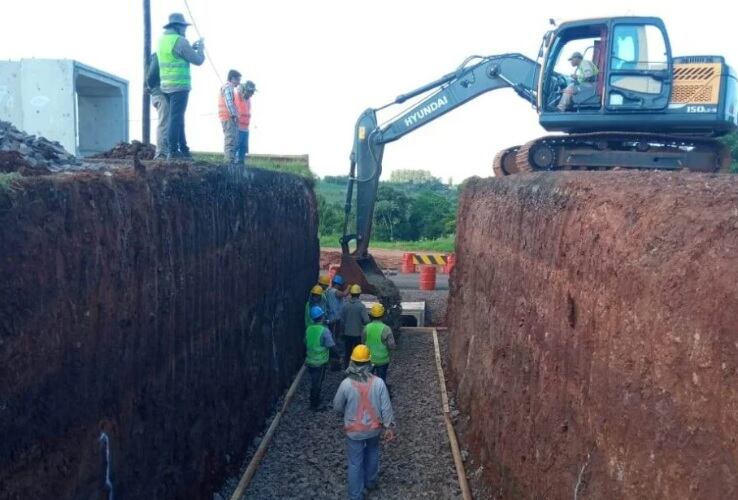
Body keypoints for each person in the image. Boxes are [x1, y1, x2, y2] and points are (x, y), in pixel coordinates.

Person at [333, 344, 395, 500]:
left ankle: (355, 495)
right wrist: (389, 427)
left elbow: (337, 406)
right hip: (374, 428)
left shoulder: (346, 384)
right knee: (373, 452)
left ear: (352, 362)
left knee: (355, 462)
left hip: (354, 430)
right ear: (369, 362)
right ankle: (371, 482)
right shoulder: (379, 383)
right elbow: (386, 407)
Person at [157, 13, 205, 160]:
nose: (185, 30)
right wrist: (200, 49)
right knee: (176, 118)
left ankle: (183, 149)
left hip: (165, 85)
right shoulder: (180, 41)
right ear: (177, 27)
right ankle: (173, 150)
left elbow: (175, 55)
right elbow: (198, 60)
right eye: (184, 27)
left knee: (177, 118)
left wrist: (191, 47)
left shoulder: (162, 40)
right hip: (179, 86)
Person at [305, 306, 339, 411]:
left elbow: (305, 342)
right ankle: (314, 404)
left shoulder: (309, 329)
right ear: (321, 316)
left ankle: (314, 399)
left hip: (310, 360)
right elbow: (331, 346)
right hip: (320, 362)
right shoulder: (324, 330)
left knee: (315, 381)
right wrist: (337, 356)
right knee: (317, 383)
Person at [361, 304, 395, 385]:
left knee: (368, 380)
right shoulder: (386, 328)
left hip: (369, 359)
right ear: (383, 315)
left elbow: (363, 342)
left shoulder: (366, 327)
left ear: (371, 315)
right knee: (381, 380)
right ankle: (380, 394)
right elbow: (392, 345)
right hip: (382, 360)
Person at [145, 54, 168, 159]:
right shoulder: (159, 55)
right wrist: (151, 86)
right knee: (164, 122)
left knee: (165, 121)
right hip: (160, 93)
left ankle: (164, 152)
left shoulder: (158, 55)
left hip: (160, 93)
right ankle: (161, 153)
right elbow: (151, 76)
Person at [341, 284, 369, 369]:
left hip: (347, 333)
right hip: (358, 334)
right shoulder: (361, 306)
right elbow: (366, 320)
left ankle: (346, 368)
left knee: (347, 353)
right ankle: (357, 369)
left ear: (351, 294)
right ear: (359, 294)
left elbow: (342, 319)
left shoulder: (345, 305)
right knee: (358, 353)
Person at [219, 70, 242, 164]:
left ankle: (231, 161)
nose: (239, 82)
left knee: (232, 140)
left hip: (227, 117)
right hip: (228, 117)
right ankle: (229, 163)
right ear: (232, 79)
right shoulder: (228, 88)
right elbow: (229, 103)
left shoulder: (229, 88)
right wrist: (235, 115)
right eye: (238, 79)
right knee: (230, 140)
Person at [234, 81, 256, 165]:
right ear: (245, 90)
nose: (252, 94)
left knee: (243, 147)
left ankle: (241, 162)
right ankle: (235, 163)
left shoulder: (248, 100)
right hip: (238, 127)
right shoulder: (238, 96)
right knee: (237, 146)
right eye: (251, 91)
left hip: (245, 128)